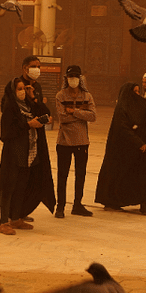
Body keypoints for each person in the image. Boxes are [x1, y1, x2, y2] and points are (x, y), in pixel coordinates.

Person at [0, 77, 57, 233]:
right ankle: (3, 222)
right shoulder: (10, 109)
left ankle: (16, 218)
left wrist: (33, 97)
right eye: (20, 89)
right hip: (13, 154)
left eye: (24, 88)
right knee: (8, 187)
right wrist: (28, 125)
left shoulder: (29, 107)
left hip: (29, 152)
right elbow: (6, 134)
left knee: (21, 186)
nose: (22, 92)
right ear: (13, 91)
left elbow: (46, 113)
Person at [95, 83, 146, 216]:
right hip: (122, 150)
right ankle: (112, 201)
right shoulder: (122, 108)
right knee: (119, 176)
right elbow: (123, 128)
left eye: (138, 91)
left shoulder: (137, 107)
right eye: (134, 92)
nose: (137, 94)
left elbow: (144, 124)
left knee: (141, 176)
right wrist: (138, 142)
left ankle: (143, 204)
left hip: (135, 150)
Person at [54, 65, 96, 218]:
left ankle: (77, 204)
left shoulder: (87, 96)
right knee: (62, 175)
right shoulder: (60, 95)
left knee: (81, 174)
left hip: (82, 141)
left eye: (76, 76)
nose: (73, 79)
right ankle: (60, 206)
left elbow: (93, 116)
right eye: (71, 76)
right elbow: (62, 117)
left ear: (80, 78)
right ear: (66, 78)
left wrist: (74, 112)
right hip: (64, 142)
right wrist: (81, 115)